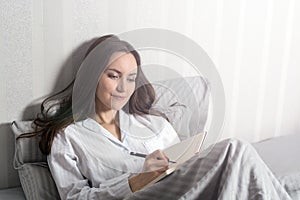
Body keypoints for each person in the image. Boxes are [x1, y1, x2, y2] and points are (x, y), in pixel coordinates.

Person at [18, 35, 292, 200]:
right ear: (92, 76)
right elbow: (75, 197)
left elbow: (190, 166)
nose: (123, 88)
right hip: (137, 196)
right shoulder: (69, 136)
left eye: (131, 78)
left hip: (187, 191)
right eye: (113, 76)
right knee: (235, 149)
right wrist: (137, 178)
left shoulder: (153, 124)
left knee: (238, 168)